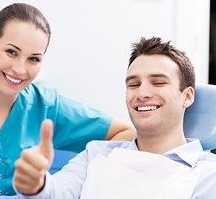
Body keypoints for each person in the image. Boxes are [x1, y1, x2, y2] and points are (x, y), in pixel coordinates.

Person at [0, 3, 136, 197]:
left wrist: (72, 177)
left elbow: (125, 133)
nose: (20, 69)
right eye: (11, 52)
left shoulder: (48, 107)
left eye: (33, 59)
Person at [13, 36, 216, 199]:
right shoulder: (96, 154)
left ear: (187, 96)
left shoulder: (208, 175)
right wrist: (37, 184)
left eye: (158, 83)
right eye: (133, 85)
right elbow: (58, 192)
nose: (142, 93)